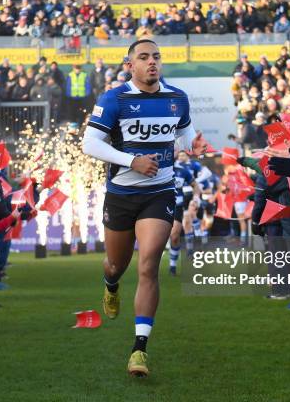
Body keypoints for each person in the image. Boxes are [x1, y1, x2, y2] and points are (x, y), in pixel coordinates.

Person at [82, 39, 206, 377]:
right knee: (115, 265)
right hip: (121, 195)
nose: (152, 62)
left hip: (160, 191)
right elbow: (89, 143)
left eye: (156, 56)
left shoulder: (176, 98)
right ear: (130, 65)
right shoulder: (114, 98)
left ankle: (139, 350)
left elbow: (185, 139)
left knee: (149, 264)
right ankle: (110, 285)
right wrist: (131, 160)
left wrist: (195, 145)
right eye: (144, 57)